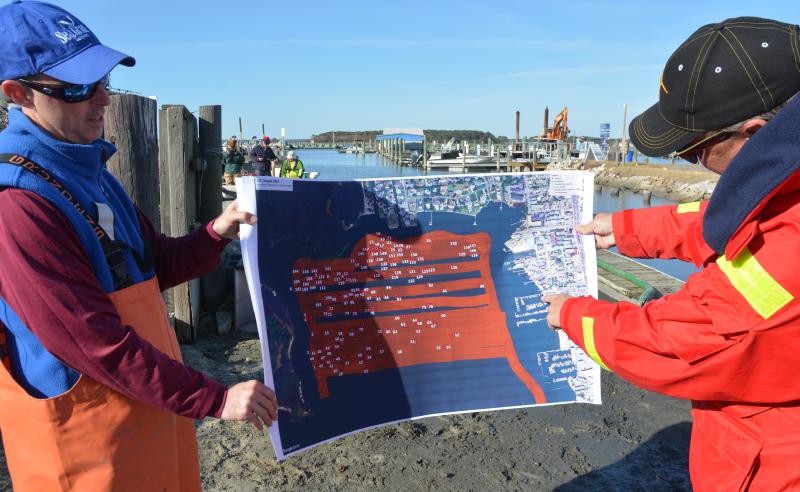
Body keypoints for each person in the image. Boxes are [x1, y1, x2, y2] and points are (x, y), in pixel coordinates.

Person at [0, 1, 277, 490]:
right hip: (87, 441)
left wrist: (217, 232)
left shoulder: (92, 175)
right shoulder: (19, 205)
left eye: (103, 80)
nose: (103, 99)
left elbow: (153, 265)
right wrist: (215, 398)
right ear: (18, 93)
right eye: (79, 88)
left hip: (146, 412)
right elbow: (94, 344)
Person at [543, 17, 800, 490]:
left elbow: (680, 344)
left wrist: (573, 314)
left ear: (757, 133)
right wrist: (622, 226)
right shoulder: (787, 184)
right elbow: (733, 220)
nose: (691, 162)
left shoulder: (790, 251)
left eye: (693, 150)